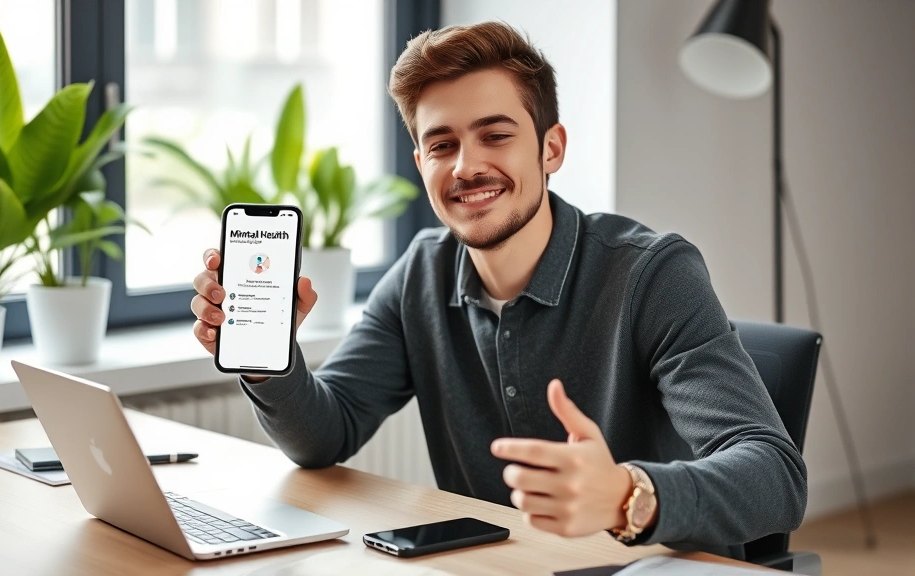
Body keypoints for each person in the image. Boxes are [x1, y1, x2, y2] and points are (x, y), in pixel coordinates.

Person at [190, 21, 806, 559]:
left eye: (495, 134)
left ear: (551, 148)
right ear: (421, 163)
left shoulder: (653, 274)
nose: (465, 166)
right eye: (442, 144)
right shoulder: (419, 275)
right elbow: (326, 434)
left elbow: (776, 476)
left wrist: (627, 495)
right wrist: (271, 360)